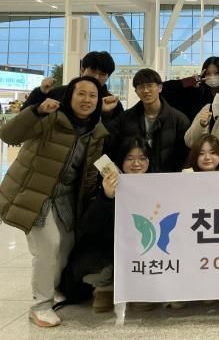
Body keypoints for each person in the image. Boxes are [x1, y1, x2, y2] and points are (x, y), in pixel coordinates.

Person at [0, 76, 108, 327]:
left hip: (65, 197)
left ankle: (54, 288)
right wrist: (36, 111)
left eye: (93, 95)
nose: (87, 100)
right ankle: (40, 305)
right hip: (36, 193)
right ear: (69, 96)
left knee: (66, 246)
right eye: (81, 93)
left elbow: (89, 172)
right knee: (49, 245)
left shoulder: (95, 132)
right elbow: (8, 134)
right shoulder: (50, 118)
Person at [58, 137, 151, 313]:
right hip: (107, 252)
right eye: (130, 158)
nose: (136, 163)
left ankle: (139, 287)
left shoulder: (157, 186)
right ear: (120, 161)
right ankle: (105, 287)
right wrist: (107, 197)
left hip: (143, 250)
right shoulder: (107, 185)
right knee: (101, 263)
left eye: (142, 158)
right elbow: (90, 227)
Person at [106, 69, 189, 172]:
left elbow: (185, 154)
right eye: (141, 87)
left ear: (160, 87)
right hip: (134, 176)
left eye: (150, 85)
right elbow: (107, 143)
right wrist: (105, 114)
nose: (146, 90)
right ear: (136, 91)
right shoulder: (125, 118)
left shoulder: (179, 119)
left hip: (166, 178)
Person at [21, 51, 123, 123]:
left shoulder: (112, 104)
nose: (96, 77)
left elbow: (117, 135)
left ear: (108, 77)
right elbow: (24, 116)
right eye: (93, 71)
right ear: (82, 70)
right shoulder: (58, 93)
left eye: (102, 74)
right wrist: (41, 92)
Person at [161, 56, 219, 121]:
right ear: (203, 75)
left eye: (217, 73)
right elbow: (165, 87)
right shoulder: (196, 91)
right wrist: (190, 81)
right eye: (208, 73)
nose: (212, 76)